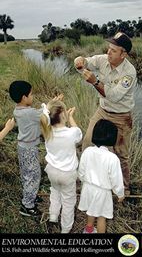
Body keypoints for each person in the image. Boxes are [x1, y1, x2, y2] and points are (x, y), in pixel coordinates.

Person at [74, 32, 137, 194]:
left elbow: (114, 96)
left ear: (124, 54)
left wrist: (94, 81)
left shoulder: (129, 73)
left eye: (113, 50)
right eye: (108, 48)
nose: (108, 52)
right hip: (102, 111)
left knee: (120, 153)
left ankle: (124, 188)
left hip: (122, 116)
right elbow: (85, 62)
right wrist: (80, 61)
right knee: (87, 142)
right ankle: (86, 179)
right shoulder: (103, 59)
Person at [40, 98, 82, 233]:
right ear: (63, 115)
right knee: (68, 201)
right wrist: (71, 118)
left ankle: (53, 215)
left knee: (55, 191)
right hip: (67, 174)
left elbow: (45, 112)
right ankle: (65, 228)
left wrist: (52, 105)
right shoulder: (71, 133)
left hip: (52, 171)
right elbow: (79, 133)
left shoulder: (47, 131)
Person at [78, 119, 124, 233]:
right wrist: (120, 193)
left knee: (91, 210)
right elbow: (116, 179)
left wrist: (85, 181)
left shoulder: (87, 151)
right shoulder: (112, 158)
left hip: (88, 188)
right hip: (102, 192)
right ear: (112, 137)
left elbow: (81, 171)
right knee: (102, 217)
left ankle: (88, 230)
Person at [9, 80, 43, 217]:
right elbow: (44, 114)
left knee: (26, 174)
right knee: (34, 175)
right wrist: (52, 104)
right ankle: (27, 206)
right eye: (31, 94)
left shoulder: (17, 110)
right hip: (29, 149)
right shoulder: (30, 113)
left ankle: (30, 195)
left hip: (22, 147)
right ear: (24, 97)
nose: (33, 96)